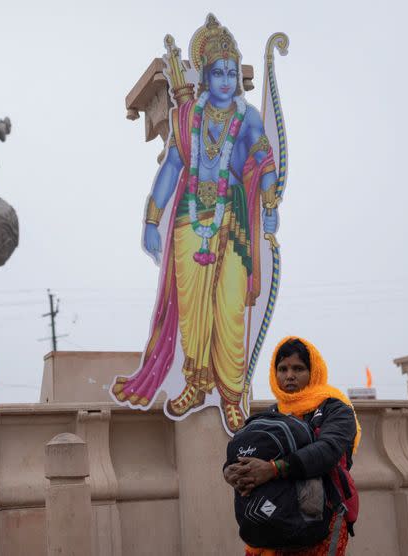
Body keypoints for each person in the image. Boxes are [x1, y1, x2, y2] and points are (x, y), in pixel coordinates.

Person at [111, 15, 279, 431]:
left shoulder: (249, 117)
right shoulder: (187, 117)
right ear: (204, 76)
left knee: (230, 309)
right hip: (190, 217)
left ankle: (232, 396)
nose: (224, 80)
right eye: (216, 72)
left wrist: (272, 194)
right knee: (193, 309)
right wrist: (152, 218)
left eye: (229, 72)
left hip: (235, 220)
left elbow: (265, 159)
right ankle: (195, 385)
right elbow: (172, 165)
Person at [223, 337, 361, 556]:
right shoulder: (273, 415)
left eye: (298, 368)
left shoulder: (335, 409)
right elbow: (246, 452)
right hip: (271, 519)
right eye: (282, 369)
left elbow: (327, 451)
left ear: (313, 371)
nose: (289, 376)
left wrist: (273, 468)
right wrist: (232, 472)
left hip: (319, 518)